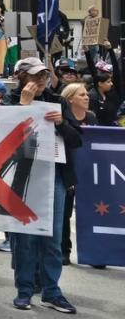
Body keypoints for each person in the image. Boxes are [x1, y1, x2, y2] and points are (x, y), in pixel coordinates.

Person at [9, 58, 81, 314]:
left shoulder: (58, 101)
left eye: (43, 76)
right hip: (24, 178)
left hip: (54, 176)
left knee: (52, 237)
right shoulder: (11, 101)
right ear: (20, 76)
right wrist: (23, 108)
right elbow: (4, 141)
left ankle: (52, 291)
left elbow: (76, 140)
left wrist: (62, 123)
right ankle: (24, 291)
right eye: (34, 76)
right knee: (26, 238)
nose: (40, 81)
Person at [60, 82, 94, 266]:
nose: (87, 97)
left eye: (87, 94)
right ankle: (64, 250)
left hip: (89, 174)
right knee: (64, 214)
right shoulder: (64, 119)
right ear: (70, 98)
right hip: (69, 172)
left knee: (92, 212)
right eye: (82, 95)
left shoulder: (92, 117)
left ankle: (95, 251)